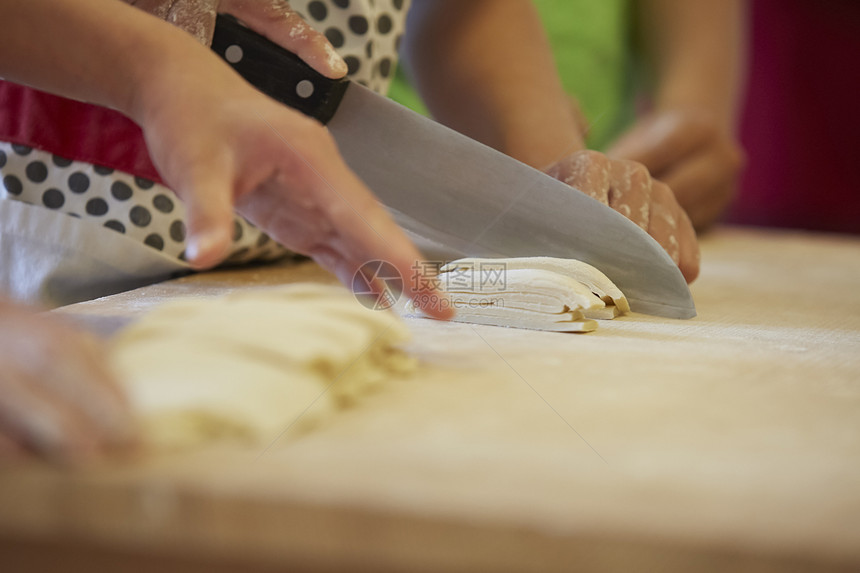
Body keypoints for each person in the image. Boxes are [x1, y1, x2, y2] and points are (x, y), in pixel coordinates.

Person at [0, 0, 698, 461]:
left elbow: (464, 14)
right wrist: (145, 62)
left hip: (288, 267)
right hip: (43, 273)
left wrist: (545, 186)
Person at [392, 0, 744, 234]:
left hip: (598, 202)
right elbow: (461, 17)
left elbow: (693, 105)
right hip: (379, 202)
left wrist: (682, 156)